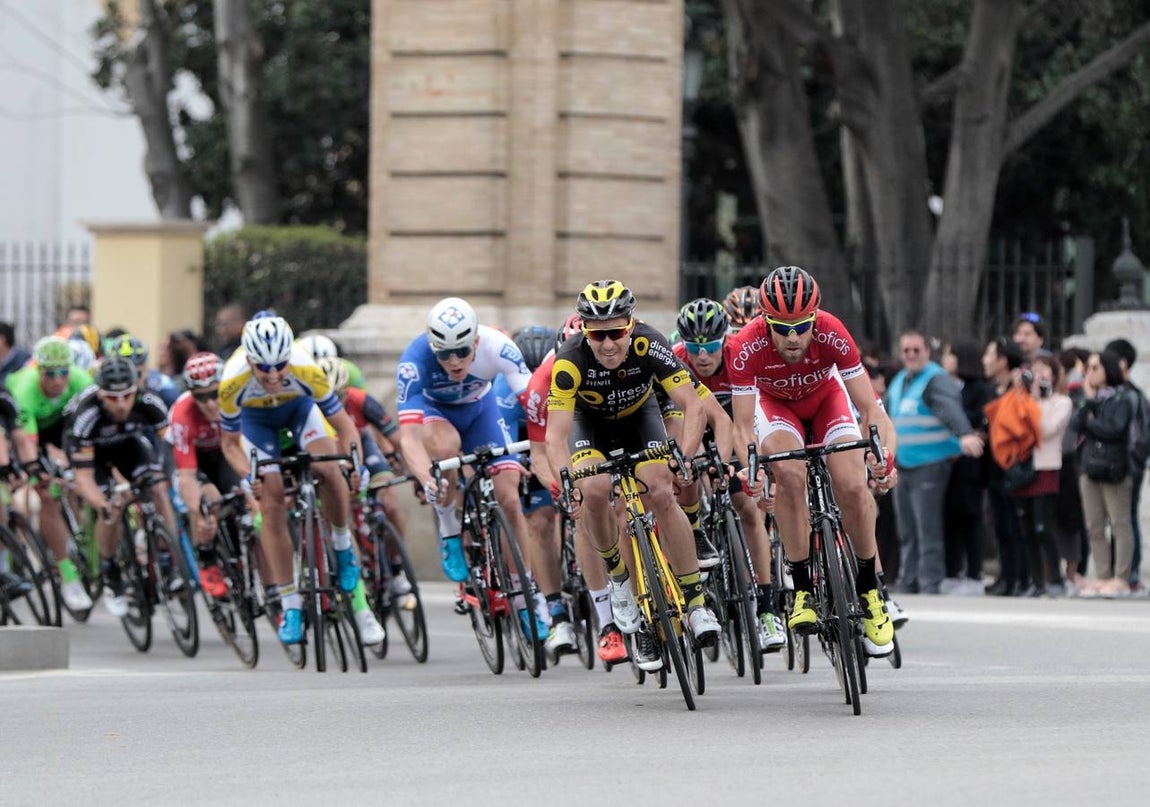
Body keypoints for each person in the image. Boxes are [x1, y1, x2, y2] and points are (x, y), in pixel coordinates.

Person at [547, 280, 720, 671]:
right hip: (588, 426)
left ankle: (694, 603)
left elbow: (693, 407)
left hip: (639, 420)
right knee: (594, 488)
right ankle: (620, 581)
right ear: (585, 332)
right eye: (598, 335)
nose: (608, 344)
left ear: (631, 325)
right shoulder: (570, 358)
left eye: (617, 332)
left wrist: (685, 457)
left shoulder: (649, 342)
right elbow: (555, 435)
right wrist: (567, 481)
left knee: (661, 491)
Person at [726, 265, 896, 657]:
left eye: (801, 326)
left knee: (853, 484)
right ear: (765, 320)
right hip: (777, 407)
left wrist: (881, 455)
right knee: (788, 473)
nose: (792, 337)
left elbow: (870, 408)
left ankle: (870, 587)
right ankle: (802, 585)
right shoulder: (746, 346)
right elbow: (742, 428)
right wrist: (751, 469)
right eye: (781, 327)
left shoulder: (833, 331)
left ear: (814, 318)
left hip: (826, 400)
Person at [218, 315, 384, 646]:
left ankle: (341, 545)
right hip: (256, 423)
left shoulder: (306, 369)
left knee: (329, 469)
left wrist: (355, 465)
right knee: (273, 498)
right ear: (249, 359)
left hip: (298, 410)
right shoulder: (232, 382)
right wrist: (248, 474)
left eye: (280, 365)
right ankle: (291, 604)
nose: (274, 374)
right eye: (264, 368)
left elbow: (346, 427)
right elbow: (229, 445)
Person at [395, 298, 546, 638]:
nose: (454, 361)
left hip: (482, 412)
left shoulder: (500, 348)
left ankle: (525, 600)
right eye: (444, 354)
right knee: (446, 448)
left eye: (462, 352)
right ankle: (449, 528)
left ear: (476, 342)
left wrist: (540, 455)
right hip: (439, 416)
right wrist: (425, 477)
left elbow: (536, 411)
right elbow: (409, 438)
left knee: (509, 497)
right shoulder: (413, 362)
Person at [672, 297, 786, 652]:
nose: (702, 355)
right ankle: (698, 532)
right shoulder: (675, 360)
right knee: (690, 471)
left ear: (725, 340)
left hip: (737, 426)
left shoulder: (738, 354)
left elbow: (745, 424)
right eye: (694, 347)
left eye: (710, 346)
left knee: (747, 506)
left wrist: (743, 466)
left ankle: (767, 607)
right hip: (694, 426)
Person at [64, 357, 178, 617]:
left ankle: (167, 556)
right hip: (94, 456)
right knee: (110, 508)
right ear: (101, 394)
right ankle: (111, 570)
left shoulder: (149, 401)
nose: (122, 403)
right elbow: (83, 478)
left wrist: (165, 475)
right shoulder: (86, 413)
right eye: (113, 398)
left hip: (129, 446)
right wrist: (102, 503)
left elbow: (172, 447)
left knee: (159, 489)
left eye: (127, 395)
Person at [886, 331, 983, 595]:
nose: (911, 355)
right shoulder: (899, 381)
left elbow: (949, 408)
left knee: (926, 526)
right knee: (906, 529)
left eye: (916, 349)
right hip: (903, 464)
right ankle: (909, 579)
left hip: (929, 463)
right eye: (906, 350)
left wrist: (964, 433)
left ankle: (929, 581)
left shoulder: (935, 378)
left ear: (928, 351)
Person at [6, 337, 95, 613]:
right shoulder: (24, 390)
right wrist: (36, 472)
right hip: (29, 433)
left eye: (63, 372)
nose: (58, 380)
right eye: (50, 374)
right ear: (38, 371)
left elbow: (91, 426)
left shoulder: (81, 380)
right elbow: (26, 443)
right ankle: (68, 575)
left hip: (63, 427)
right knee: (45, 493)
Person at [166, 352, 243, 597]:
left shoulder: (237, 399)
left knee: (243, 496)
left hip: (224, 454)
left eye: (215, 393)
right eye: (201, 397)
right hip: (193, 461)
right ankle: (207, 558)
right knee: (209, 504)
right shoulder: (182, 413)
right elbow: (187, 476)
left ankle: (243, 555)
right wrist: (199, 515)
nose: (210, 403)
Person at [1073, 351, 1136, 597]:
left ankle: (1121, 578)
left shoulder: (1124, 397)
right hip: (1090, 467)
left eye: (1095, 367)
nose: (1090, 372)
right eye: (1088, 367)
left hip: (1115, 469)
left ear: (1108, 369)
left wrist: (1090, 423)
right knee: (1094, 526)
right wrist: (1088, 403)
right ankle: (1102, 575)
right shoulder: (1089, 398)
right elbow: (1075, 424)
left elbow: (1114, 429)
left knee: (1120, 524)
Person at [1010, 355, 1072, 597]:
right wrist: (1020, 395)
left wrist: (1034, 401)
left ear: (1055, 375)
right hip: (1024, 468)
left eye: (1044, 371)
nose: (1039, 376)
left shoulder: (1061, 402)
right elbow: (1011, 427)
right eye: (1034, 371)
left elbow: (1045, 429)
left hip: (1046, 467)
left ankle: (1055, 578)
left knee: (1043, 526)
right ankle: (1036, 582)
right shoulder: (1022, 401)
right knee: (1026, 528)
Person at [940, 338, 995, 594]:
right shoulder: (943, 385)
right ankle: (951, 571)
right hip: (945, 458)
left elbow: (980, 420)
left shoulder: (979, 388)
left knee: (971, 516)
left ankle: (974, 572)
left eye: (950, 354)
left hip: (970, 461)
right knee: (949, 517)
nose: (945, 359)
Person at [981, 338, 1032, 596]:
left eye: (989, 354)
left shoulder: (1020, 389)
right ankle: (1005, 576)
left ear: (1003, 360)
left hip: (1014, 466)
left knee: (1016, 526)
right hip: (993, 468)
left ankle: (1021, 578)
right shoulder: (991, 390)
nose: (984, 360)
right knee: (1000, 525)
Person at [1103, 338, 1145, 593]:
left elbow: (1140, 436)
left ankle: (1130, 574)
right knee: (1114, 522)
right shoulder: (1112, 393)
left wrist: (1134, 463)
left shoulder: (1132, 395)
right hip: (1110, 466)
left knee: (1125, 520)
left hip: (1127, 467)